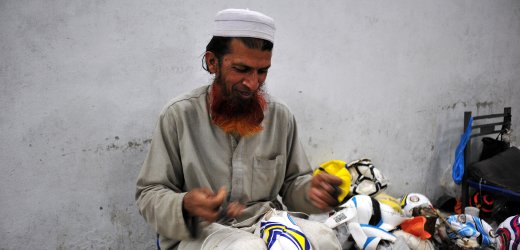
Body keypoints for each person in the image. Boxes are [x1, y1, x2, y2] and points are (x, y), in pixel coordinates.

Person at [136, 8, 342, 249]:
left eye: (262, 71)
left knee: (324, 239)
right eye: (242, 70)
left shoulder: (280, 116)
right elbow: (149, 193)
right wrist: (185, 204)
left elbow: (293, 183)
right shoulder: (179, 115)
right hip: (202, 231)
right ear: (213, 62)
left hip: (264, 221)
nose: (253, 84)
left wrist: (310, 192)